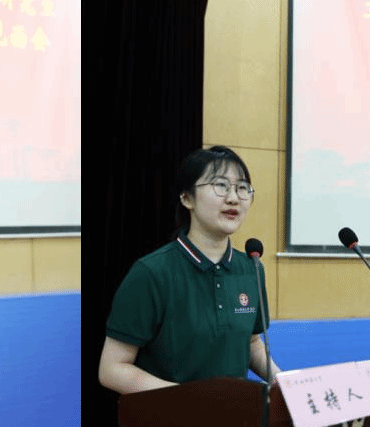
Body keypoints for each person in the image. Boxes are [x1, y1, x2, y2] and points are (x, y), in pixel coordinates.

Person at [98, 145, 281, 394]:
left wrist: (282, 381)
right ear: (187, 198)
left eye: (242, 188)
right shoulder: (151, 273)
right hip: (169, 413)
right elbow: (112, 369)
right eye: (220, 185)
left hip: (232, 412)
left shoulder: (251, 268)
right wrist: (188, 402)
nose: (233, 198)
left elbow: (251, 343)